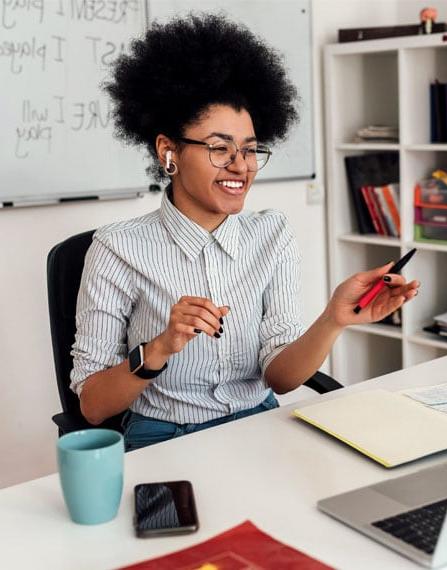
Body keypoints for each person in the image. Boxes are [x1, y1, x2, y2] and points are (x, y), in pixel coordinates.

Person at [70, 14, 419, 451]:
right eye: (220, 148)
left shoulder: (272, 234)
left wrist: (335, 318)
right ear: (168, 151)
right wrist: (159, 347)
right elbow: (92, 407)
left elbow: (280, 377)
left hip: (259, 427)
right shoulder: (117, 249)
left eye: (251, 150)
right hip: (163, 439)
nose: (241, 165)